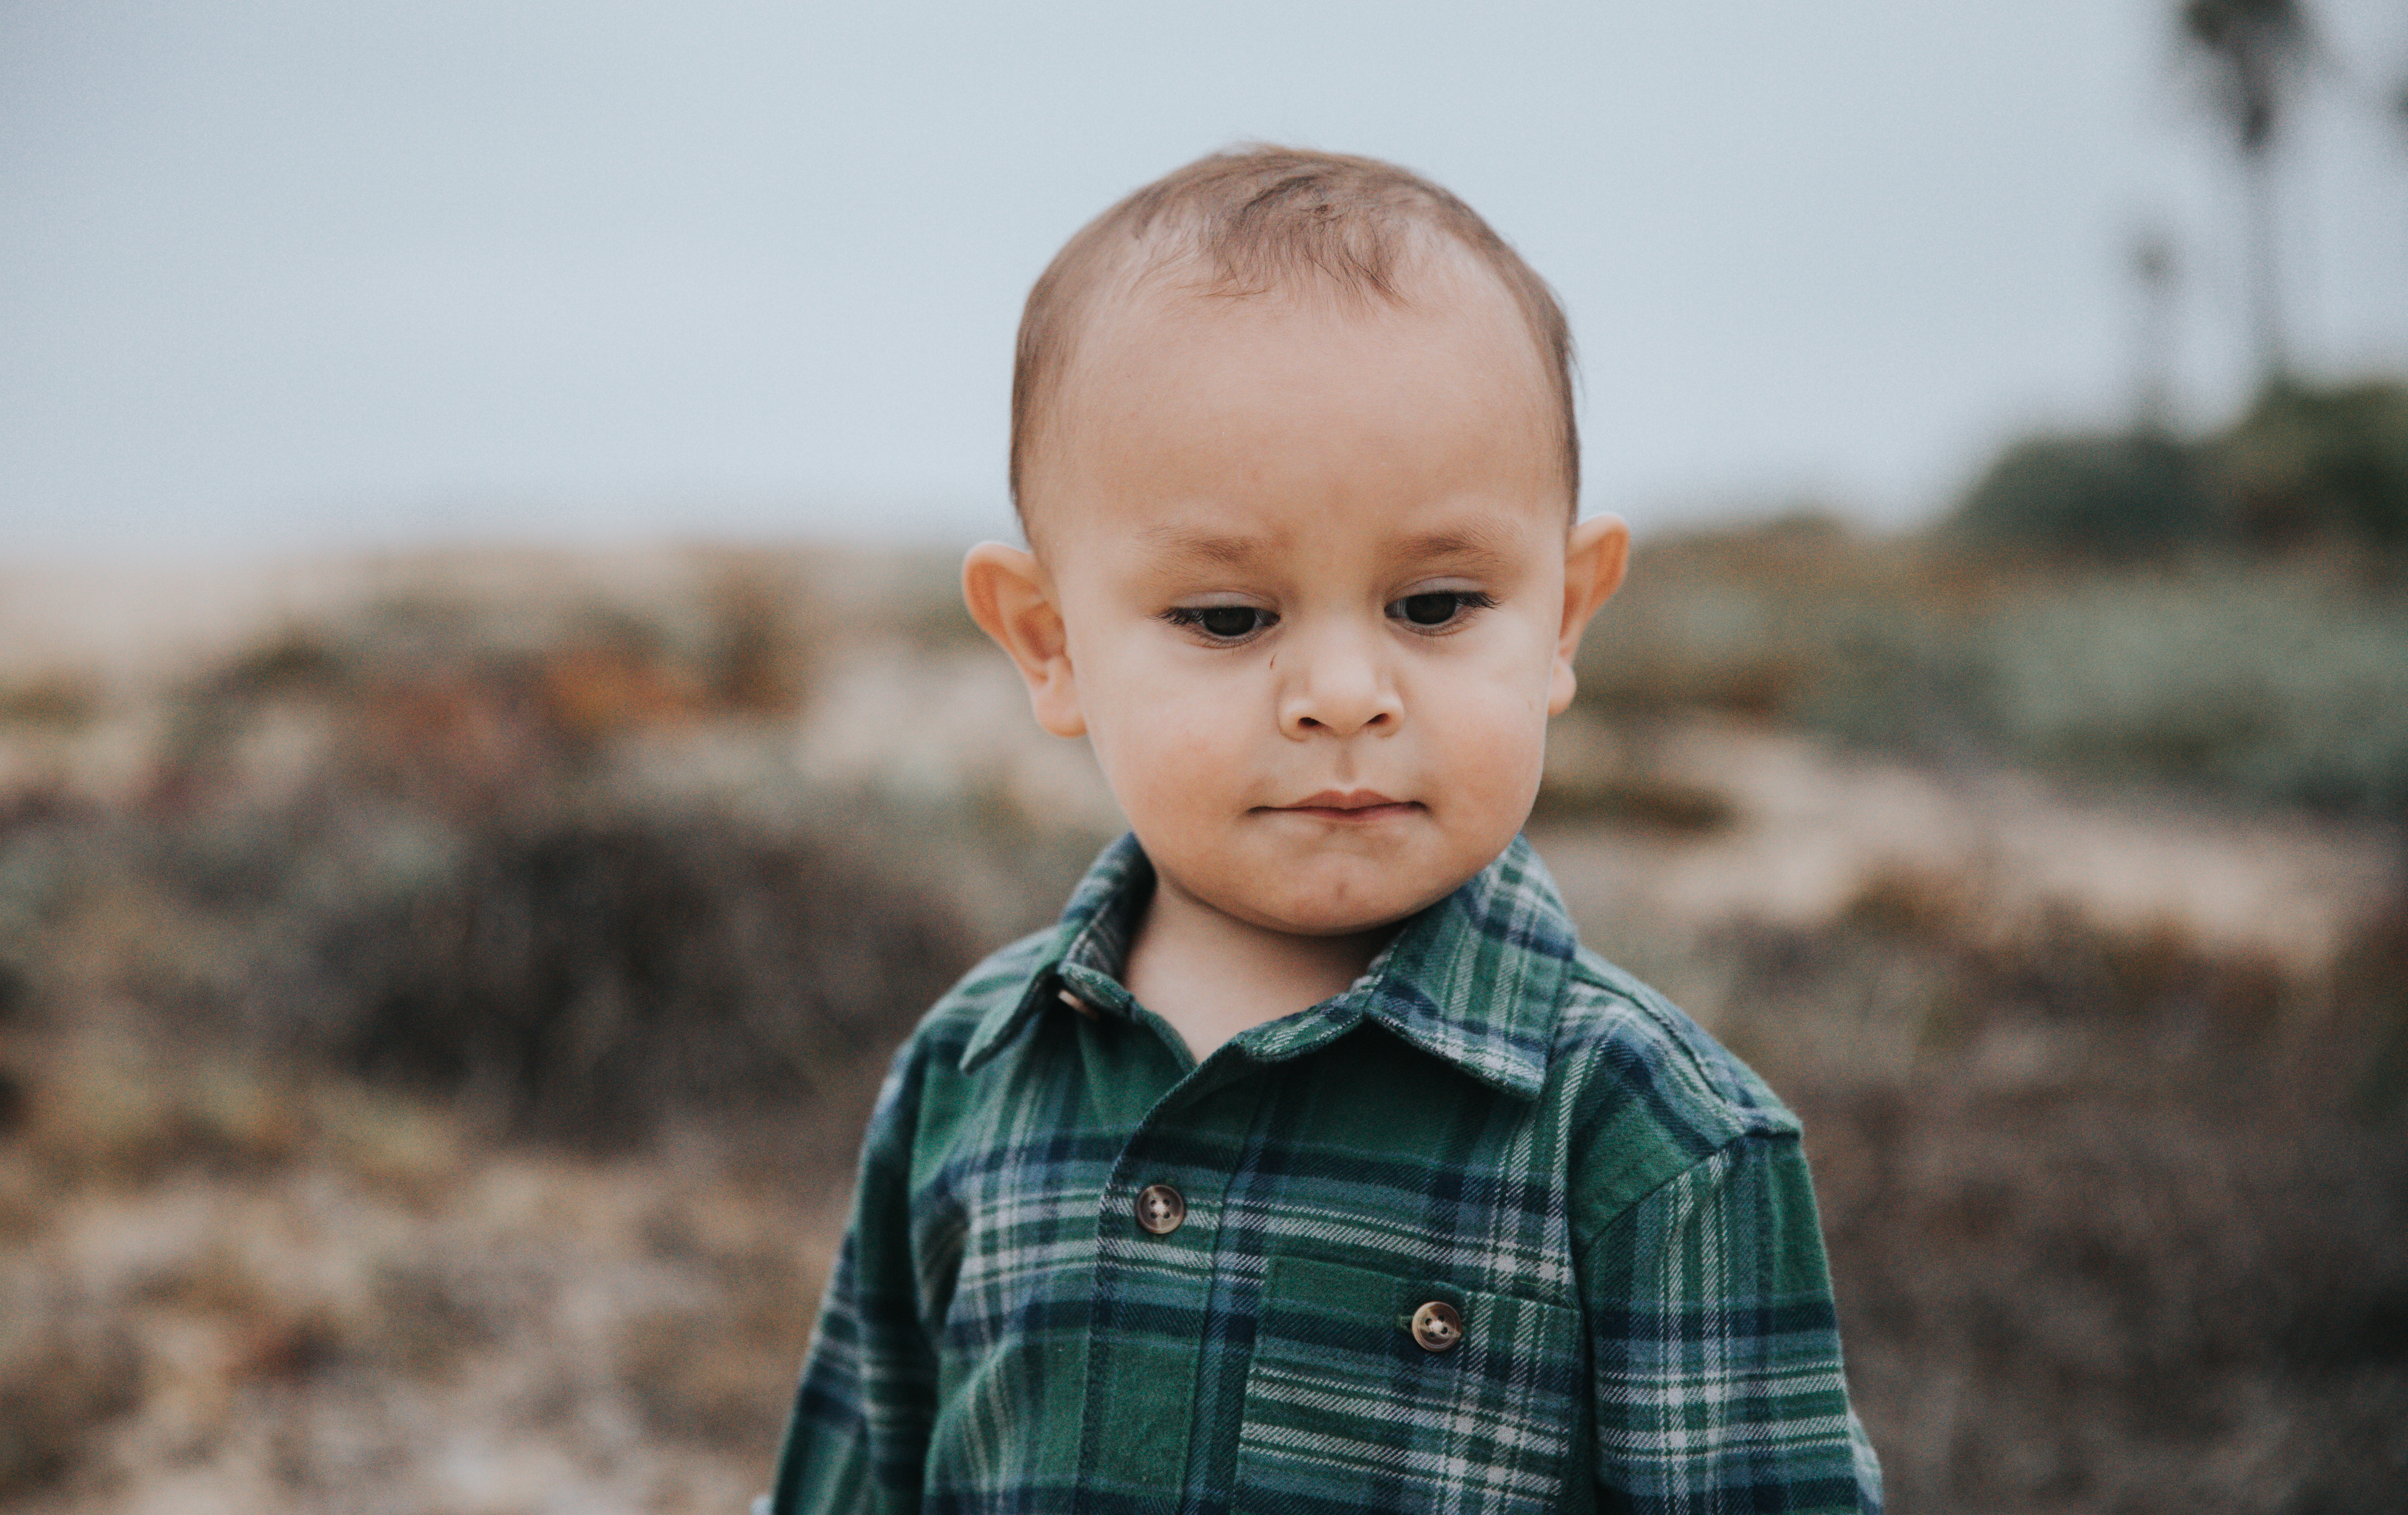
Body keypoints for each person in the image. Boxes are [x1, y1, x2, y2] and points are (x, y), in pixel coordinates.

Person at [761, 146, 1883, 1513]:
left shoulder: (1651, 1135)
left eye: (1436, 606)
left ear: (1566, 617)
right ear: (1049, 645)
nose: (1345, 695)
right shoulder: (968, 1073)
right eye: (1230, 618)